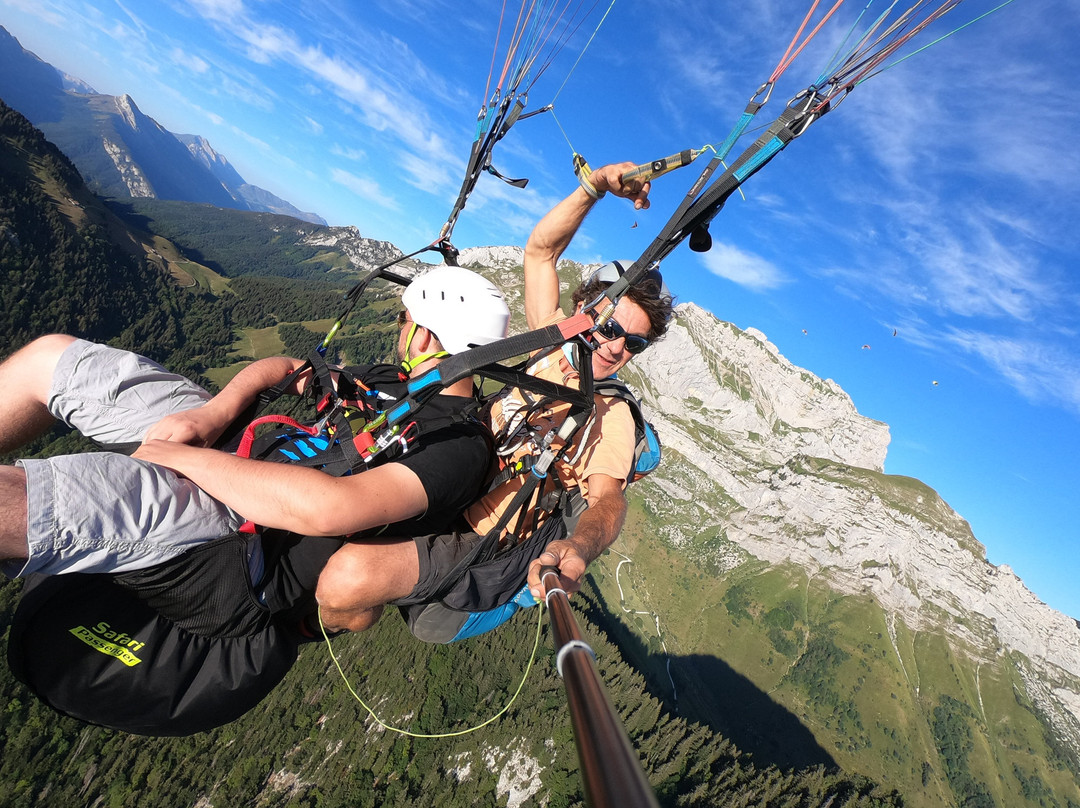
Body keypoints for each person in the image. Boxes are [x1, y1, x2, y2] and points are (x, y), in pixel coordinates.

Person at [314, 161, 674, 640]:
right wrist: (593, 188)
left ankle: (508, 596)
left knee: (359, 586)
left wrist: (582, 547)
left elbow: (607, 500)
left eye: (633, 343)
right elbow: (541, 252)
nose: (614, 347)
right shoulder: (551, 342)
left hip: (480, 534)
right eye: (610, 328)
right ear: (582, 311)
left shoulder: (611, 414)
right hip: (449, 473)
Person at [0, 266, 511, 583]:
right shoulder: (396, 380)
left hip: (231, 520)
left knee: (18, 500)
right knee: (50, 358)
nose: (401, 330)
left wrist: (182, 457)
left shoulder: (460, 446)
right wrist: (213, 412)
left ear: (424, 337)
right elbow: (291, 370)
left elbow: (330, 509)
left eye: (405, 322)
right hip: (230, 443)